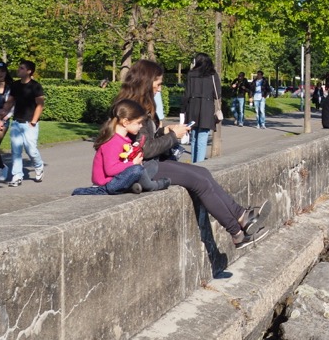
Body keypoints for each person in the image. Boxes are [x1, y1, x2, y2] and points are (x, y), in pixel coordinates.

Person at [116, 59, 266, 248]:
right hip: (141, 169)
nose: (160, 89)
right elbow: (145, 149)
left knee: (203, 173)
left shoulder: (139, 104)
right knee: (200, 182)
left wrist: (165, 131)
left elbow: (145, 139)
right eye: (158, 84)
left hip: (149, 164)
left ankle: (242, 216)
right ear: (145, 82)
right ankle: (236, 233)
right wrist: (172, 136)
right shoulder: (131, 108)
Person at [73, 99, 170, 195]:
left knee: (152, 164)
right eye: (139, 123)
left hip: (119, 178)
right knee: (137, 169)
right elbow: (110, 170)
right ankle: (153, 186)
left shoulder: (125, 139)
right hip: (107, 184)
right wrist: (133, 163)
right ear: (125, 122)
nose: (141, 126)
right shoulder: (112, 142)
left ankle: (135, 185)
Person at [0, 59, 45, 186]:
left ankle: (39, 166)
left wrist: (33, 122)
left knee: (31, 151)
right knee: (16, 151)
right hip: (17, 123)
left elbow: (40, 105)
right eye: (19, 67)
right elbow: (10, 102)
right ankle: (17, 176)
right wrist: (1, 117)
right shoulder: (15, 85)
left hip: (30, 124)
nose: (19, 70)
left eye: (22, 68)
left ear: (29, 71)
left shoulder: (36, 86)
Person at [182, 52, 221, 163]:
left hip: (193, 106)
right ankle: (200, 165)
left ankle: (194, 163)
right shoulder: (212, 74)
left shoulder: (191, 73)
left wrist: (183, 109)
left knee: (194, 137)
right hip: (207, 107)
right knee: (202, 138)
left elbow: (187, 93)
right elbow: (217, 93)